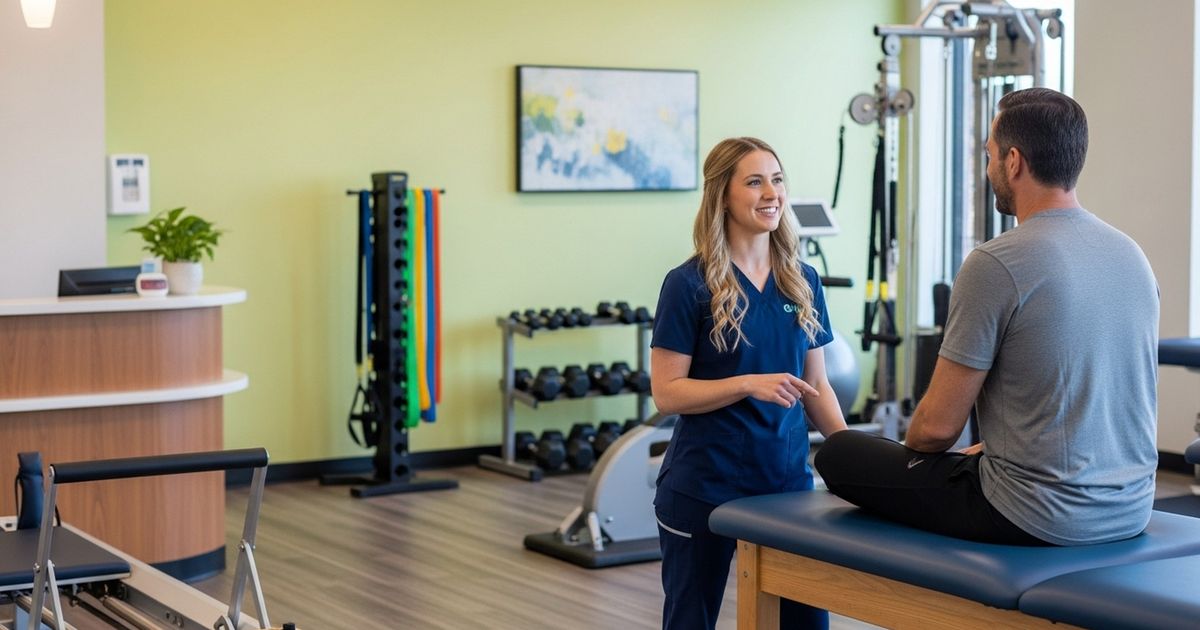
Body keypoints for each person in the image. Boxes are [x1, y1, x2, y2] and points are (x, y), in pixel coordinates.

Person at [815, 87, 1160, 546]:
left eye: (990, 154)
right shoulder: (1131, 254)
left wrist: (918, 450)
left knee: (839, 454)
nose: (988, 167)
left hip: (1034, 514)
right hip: (1131, 507)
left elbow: (936, 431)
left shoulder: (996, 262)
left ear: (1013, 162)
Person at [651, 137, 848, 630]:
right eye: (755, 181)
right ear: (722, 195)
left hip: (785, 487)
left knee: (806, 621)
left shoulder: (802, 281)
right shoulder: (688, 284)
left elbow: (816, 385)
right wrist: (745, 384)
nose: (772, 193)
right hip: (705, 486)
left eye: (777, 180)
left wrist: (856, 460)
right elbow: (667, 392)